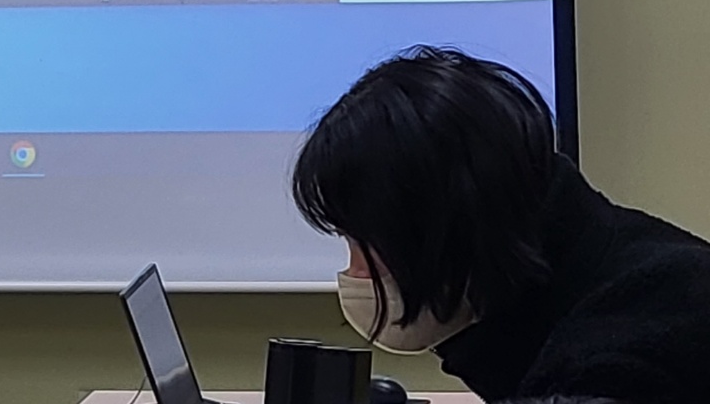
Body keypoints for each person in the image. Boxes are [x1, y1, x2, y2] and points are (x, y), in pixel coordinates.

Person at [292, 46, 710, 404]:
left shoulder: (618, 360)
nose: (355, 272)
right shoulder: (617, 275)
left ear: (442, 227)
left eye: (362, 241)